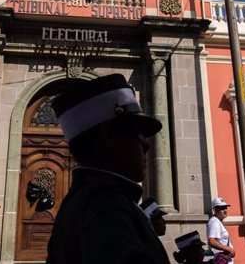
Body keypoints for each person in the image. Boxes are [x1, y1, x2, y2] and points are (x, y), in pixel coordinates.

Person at [45, 73, 169, 264]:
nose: (146, 145)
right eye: (137, 133)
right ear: (109, 135)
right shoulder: (107, 208)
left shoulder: (85, 199)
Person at [206, 197, 234, 263]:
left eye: (225, 208)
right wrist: (229, 249)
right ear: (215, 210)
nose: (225, 210)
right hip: (220, 260)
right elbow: (212, 241)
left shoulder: (217, 222)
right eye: (222, 208)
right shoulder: (214, 222)